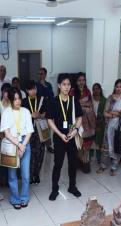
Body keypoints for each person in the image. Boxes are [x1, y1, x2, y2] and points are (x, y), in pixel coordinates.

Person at [46, 73, 83, 201]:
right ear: (59, 85)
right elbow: (50, 120)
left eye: (68, 84)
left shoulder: (74, 100)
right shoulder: (54, 101)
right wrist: (59, 134)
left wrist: (75, 131)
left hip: (72, 136)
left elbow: (79, 117)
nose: (66, 87)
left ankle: (72, 186)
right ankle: (54, 189)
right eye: (64, 84)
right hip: (59, 137)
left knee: (73, 163)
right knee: (58, 164)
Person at [1, 88, 33, 209]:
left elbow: (29, 130)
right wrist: (18, 145)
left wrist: (23, 145)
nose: (18, 101)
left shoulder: (26, 111)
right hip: (12, 143)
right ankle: (15, 198)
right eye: (15, 99)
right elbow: (6, 133)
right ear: (10, 100)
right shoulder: (6, 112)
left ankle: (24, 197)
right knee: (12, 174)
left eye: (19, 98)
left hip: (25, 141)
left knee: (25, 174)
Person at [22, 80, 47, 184]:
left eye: (35, 88)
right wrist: (30, 116)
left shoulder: (42, 99)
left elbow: (47, 113)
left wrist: (40, 115)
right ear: (27, 90)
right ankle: (30, 175)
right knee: (31, 153)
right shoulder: (24, 102)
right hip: (29, 131)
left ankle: (36, 174)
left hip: (41, 129)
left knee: (40, 153)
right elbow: (22, 117)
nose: (33, 91)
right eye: (31, 89)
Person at [103, 79, 121, 175]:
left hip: (120, 127)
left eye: (120, 87)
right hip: (109, 126)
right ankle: (103, 165)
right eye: (117, 86)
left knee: (117, 146)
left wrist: (112, 112)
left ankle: (114, 167)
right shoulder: (110, 98)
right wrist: (118, 113)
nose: (118, 88)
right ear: (114, 87)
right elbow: (105, 113)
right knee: (106, 145)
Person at [73, 72, 95, 174]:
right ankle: (78, 163)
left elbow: (91, 106)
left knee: (87, 144)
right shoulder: (72, 92)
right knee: (78, 143)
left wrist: (86, 108)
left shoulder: (88, 91)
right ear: (76, 81)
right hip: (77, 121)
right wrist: (82, 107)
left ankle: (86, 163)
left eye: (83, 80)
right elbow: (71, 107)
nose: (81, 82)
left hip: (88, 122)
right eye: (79, 80)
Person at [36, 67, 55, 154]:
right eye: (39, 73)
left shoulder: (49, 85)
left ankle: (48, 146)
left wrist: (44, 86)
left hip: (48, 111)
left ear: (45, 74)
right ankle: (41, 146)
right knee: (40, 129)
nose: (40, 75)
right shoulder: (35, 85)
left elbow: (51, 96)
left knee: (47, 129)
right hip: (39, 112)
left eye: (42, 74)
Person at [92, 83, 108, 173]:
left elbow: (106, 113)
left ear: (100, 89)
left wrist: (100, 121)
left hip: (101, 124)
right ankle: (89, 157)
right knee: (90, 140)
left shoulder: (104, 100)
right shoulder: (90, 100)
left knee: (99, 140)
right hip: (91, 123)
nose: (96, 90)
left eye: (97, 89)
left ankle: (99, 158)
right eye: (94, 89)